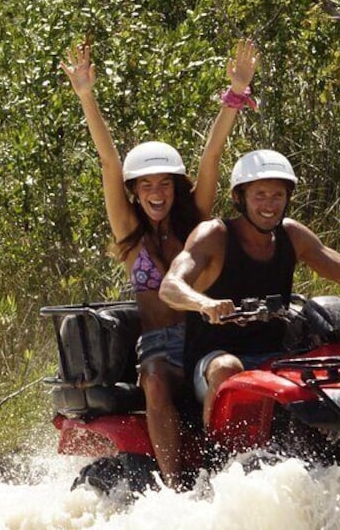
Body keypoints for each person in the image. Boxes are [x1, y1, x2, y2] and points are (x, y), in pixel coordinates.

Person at [59, 37, 259, 489]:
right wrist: (86, 95)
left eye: (165, 184)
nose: (156, 192)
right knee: (151, 376)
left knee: (235, 369)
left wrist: (236, 95)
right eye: (146, 185)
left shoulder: (196, 222)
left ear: (176, 187)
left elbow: (212, 155)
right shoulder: (131, 237)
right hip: (159, 348)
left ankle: (222, 473)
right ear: (135, 191)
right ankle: (175, 489)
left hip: (203, 335)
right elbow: (109, 163)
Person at [158, 149, 340, 427]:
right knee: (228, 368)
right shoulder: (214, 235)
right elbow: (170, 286)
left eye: (278, 195)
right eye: (260, 195)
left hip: (280, 357)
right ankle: (218, 460)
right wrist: (204, 303)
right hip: (214, 359)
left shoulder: (291, 234)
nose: (269, 204)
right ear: (239, 197)